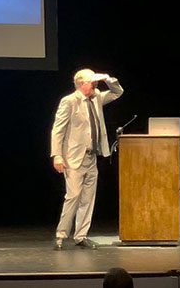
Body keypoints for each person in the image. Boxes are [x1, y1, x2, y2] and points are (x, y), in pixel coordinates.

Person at [51, 68, 124, 250]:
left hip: (92, 157)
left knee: (88, 198)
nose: (95, 85)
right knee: (73, 196)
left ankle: (80, 236)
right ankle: (61, 235)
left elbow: (118, 92)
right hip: (74, 158)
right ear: (82, 84)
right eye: (92, 82)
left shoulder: (97, 97)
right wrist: (57, 155)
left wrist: (107, 78)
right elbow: (58, 129)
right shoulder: (69, 101)